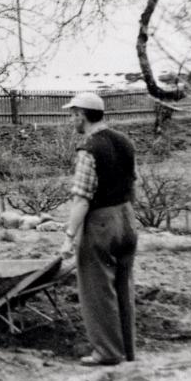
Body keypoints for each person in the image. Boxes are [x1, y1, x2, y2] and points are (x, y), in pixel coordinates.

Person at [59, 92, 138, 366]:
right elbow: (132, 182)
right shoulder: (125, 141)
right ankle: (128, 350)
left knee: (97, 288)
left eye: (72, 114)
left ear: (82, 114)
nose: (71, 119)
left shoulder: (89, 149)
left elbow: (81, 199)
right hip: (127, 219)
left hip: (101, 223)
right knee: (123, 285)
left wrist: (69, 238)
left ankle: (106, 352)